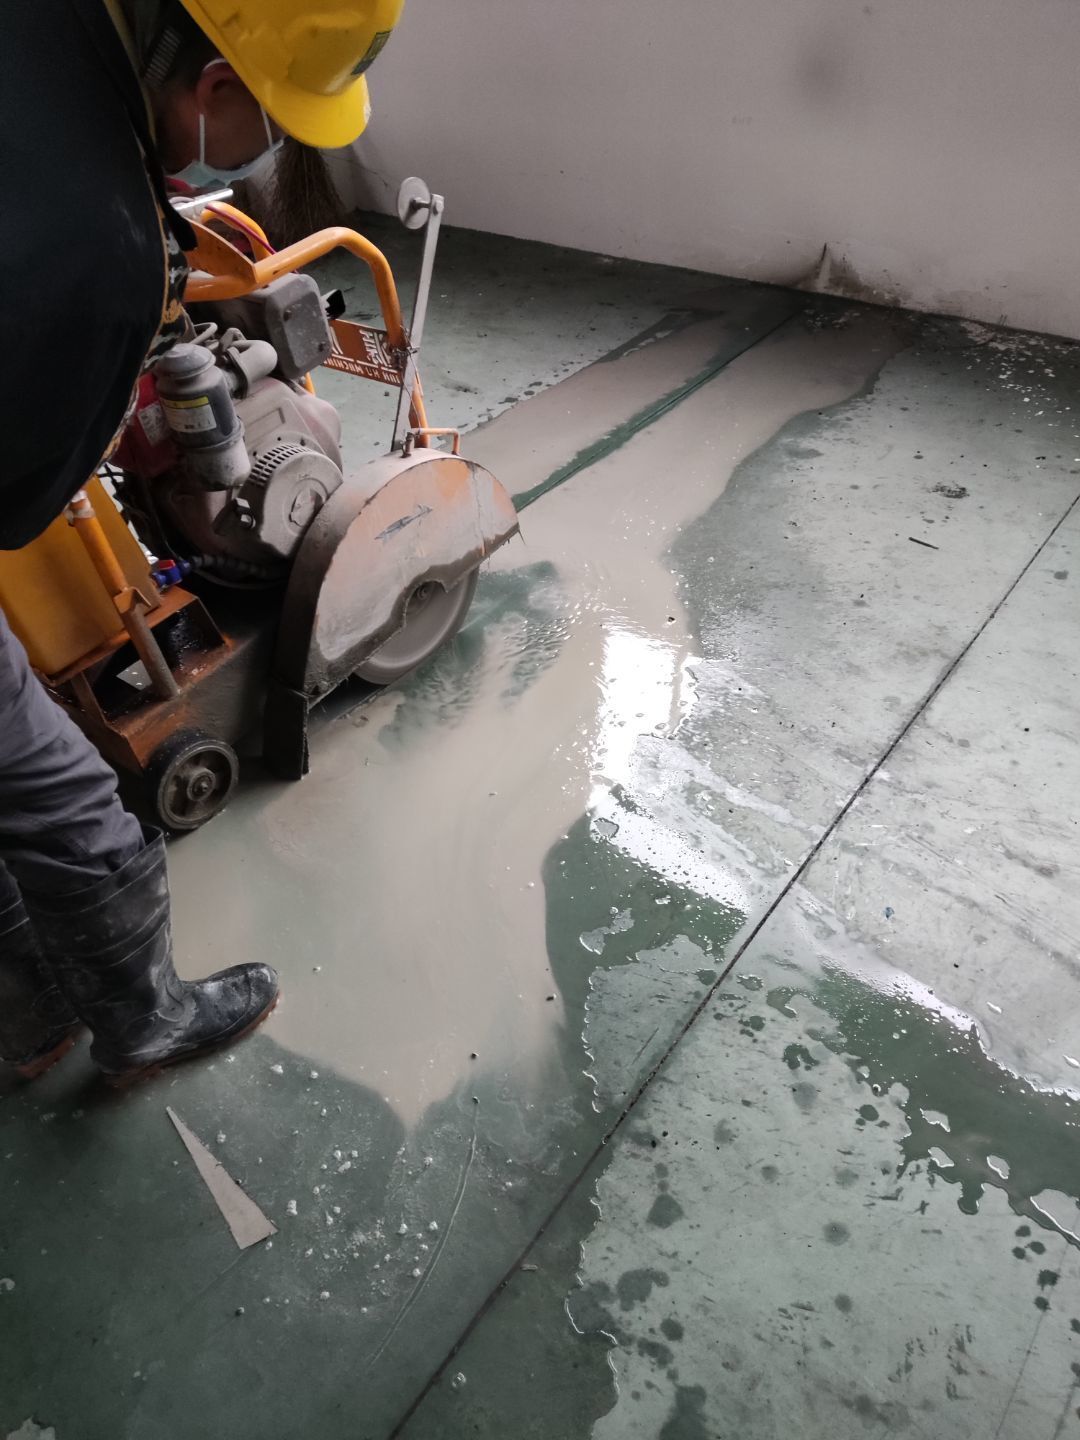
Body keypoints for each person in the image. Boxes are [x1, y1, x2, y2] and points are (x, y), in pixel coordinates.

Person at [0, 0, 403, 1084]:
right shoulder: (99, 247)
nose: (267, 151)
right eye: (273, 122)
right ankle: (145, 1026)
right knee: (60, 795)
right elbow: (18, 511)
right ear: (218, 83)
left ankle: (27, 1009)